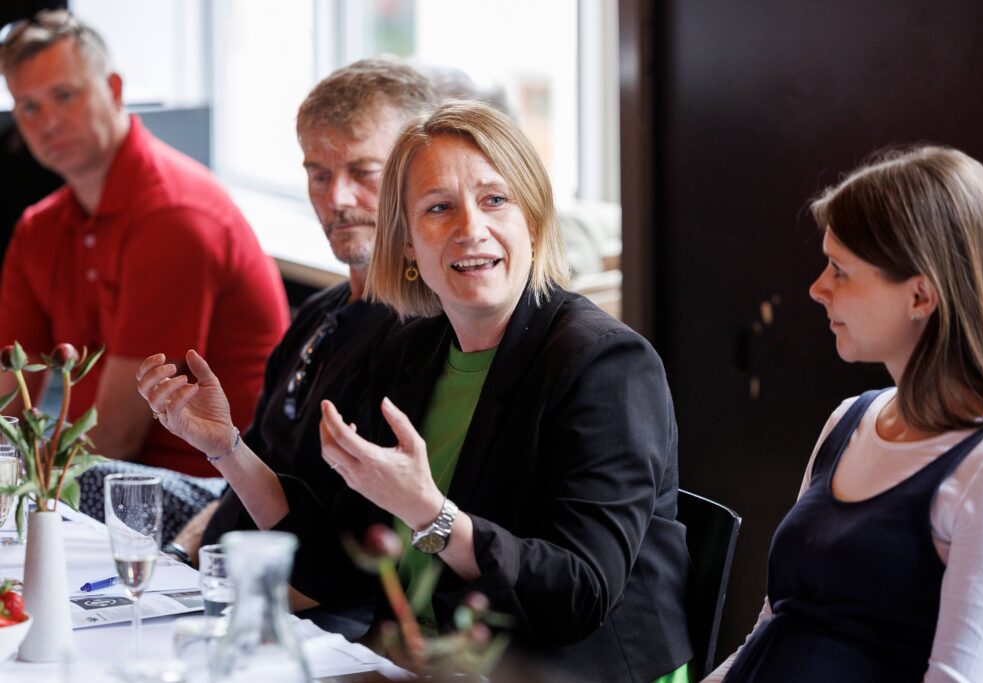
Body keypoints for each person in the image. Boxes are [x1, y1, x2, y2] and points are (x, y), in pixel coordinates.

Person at [137, 100, 692, 682]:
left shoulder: (606, 363)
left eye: (495, 200)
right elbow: (339, 568)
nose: (471, 229)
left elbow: (577, 595)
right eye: (439, 208)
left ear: (531, 219)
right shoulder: (412, 351)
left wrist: (431, 514)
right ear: (406, 246)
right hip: (423, 660)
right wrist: (227, 448)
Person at [708, 147, 983, 682]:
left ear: (920, 295)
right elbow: (773, 622)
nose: (816, 289)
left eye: (840, 270)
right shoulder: (849, 421)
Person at [0, 10, 289, 476]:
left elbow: (119, 432)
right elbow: (6, 394)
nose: (47, 123)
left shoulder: (174, 216)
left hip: (211, 487)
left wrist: (24, 485)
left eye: (65, 96)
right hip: (107, 472)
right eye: (29, 107)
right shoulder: (39, 227)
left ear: (114, 90)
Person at [183, 59, 437, 556]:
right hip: (222, 560)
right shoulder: (320, 311)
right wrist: (181, 559)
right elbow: (246, 472)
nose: (337, 197)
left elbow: (350, 553)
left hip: (300, 598)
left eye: (363, 172)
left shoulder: (424, 329)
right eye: (318, 175)